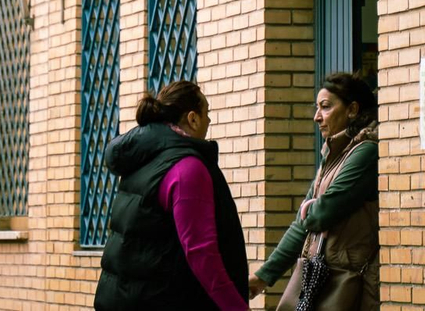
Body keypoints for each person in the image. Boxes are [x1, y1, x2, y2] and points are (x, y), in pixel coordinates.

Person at [95, 80, 249, 311]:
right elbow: (201, 253)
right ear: (192, 118)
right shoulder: (187, 169)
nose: (210, 120)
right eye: (207, 112)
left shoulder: (146, 159)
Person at [249, 72, 380, 311]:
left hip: (350, 283)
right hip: (322, 278)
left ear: (352, 110)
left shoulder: (365, 152)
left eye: (326, 107)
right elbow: (302, 223)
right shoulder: (333, 155)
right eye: (317, 108)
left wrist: (311, 209)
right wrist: (263, 277)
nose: (317, 117)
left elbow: (321, 214)